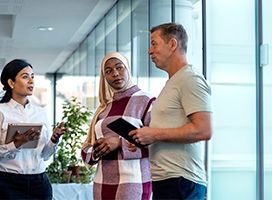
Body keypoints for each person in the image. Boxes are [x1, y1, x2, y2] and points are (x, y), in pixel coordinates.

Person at [129, 22, 212, 200]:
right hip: (166, 181)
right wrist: (144, 138)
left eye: (154, 43)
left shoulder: (190, 79)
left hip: (182, 182)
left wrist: (154, 134)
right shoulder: (173, 82)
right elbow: (169, 130)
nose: (150, 51)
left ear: (172, 44)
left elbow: (204, 129)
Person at [0, 59, 66, 200]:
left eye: (33, 76)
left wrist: (54, 140)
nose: (31, 81)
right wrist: (15, 144)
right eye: (25, 76)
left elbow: (45, 155)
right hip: (6, 184)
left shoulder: (40, 112)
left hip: (39, 183)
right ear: (11, 83)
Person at [81, 52, 155, 200]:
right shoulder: (103, 108)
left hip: (134, 181)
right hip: (102, 182)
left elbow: (156, 142)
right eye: (108, 71)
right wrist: (97, 151)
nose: (115, 74)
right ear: (104, 78)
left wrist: (119, 143)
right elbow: (86, 147)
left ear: (128, 69)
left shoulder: (146, 101)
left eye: (119, 68)